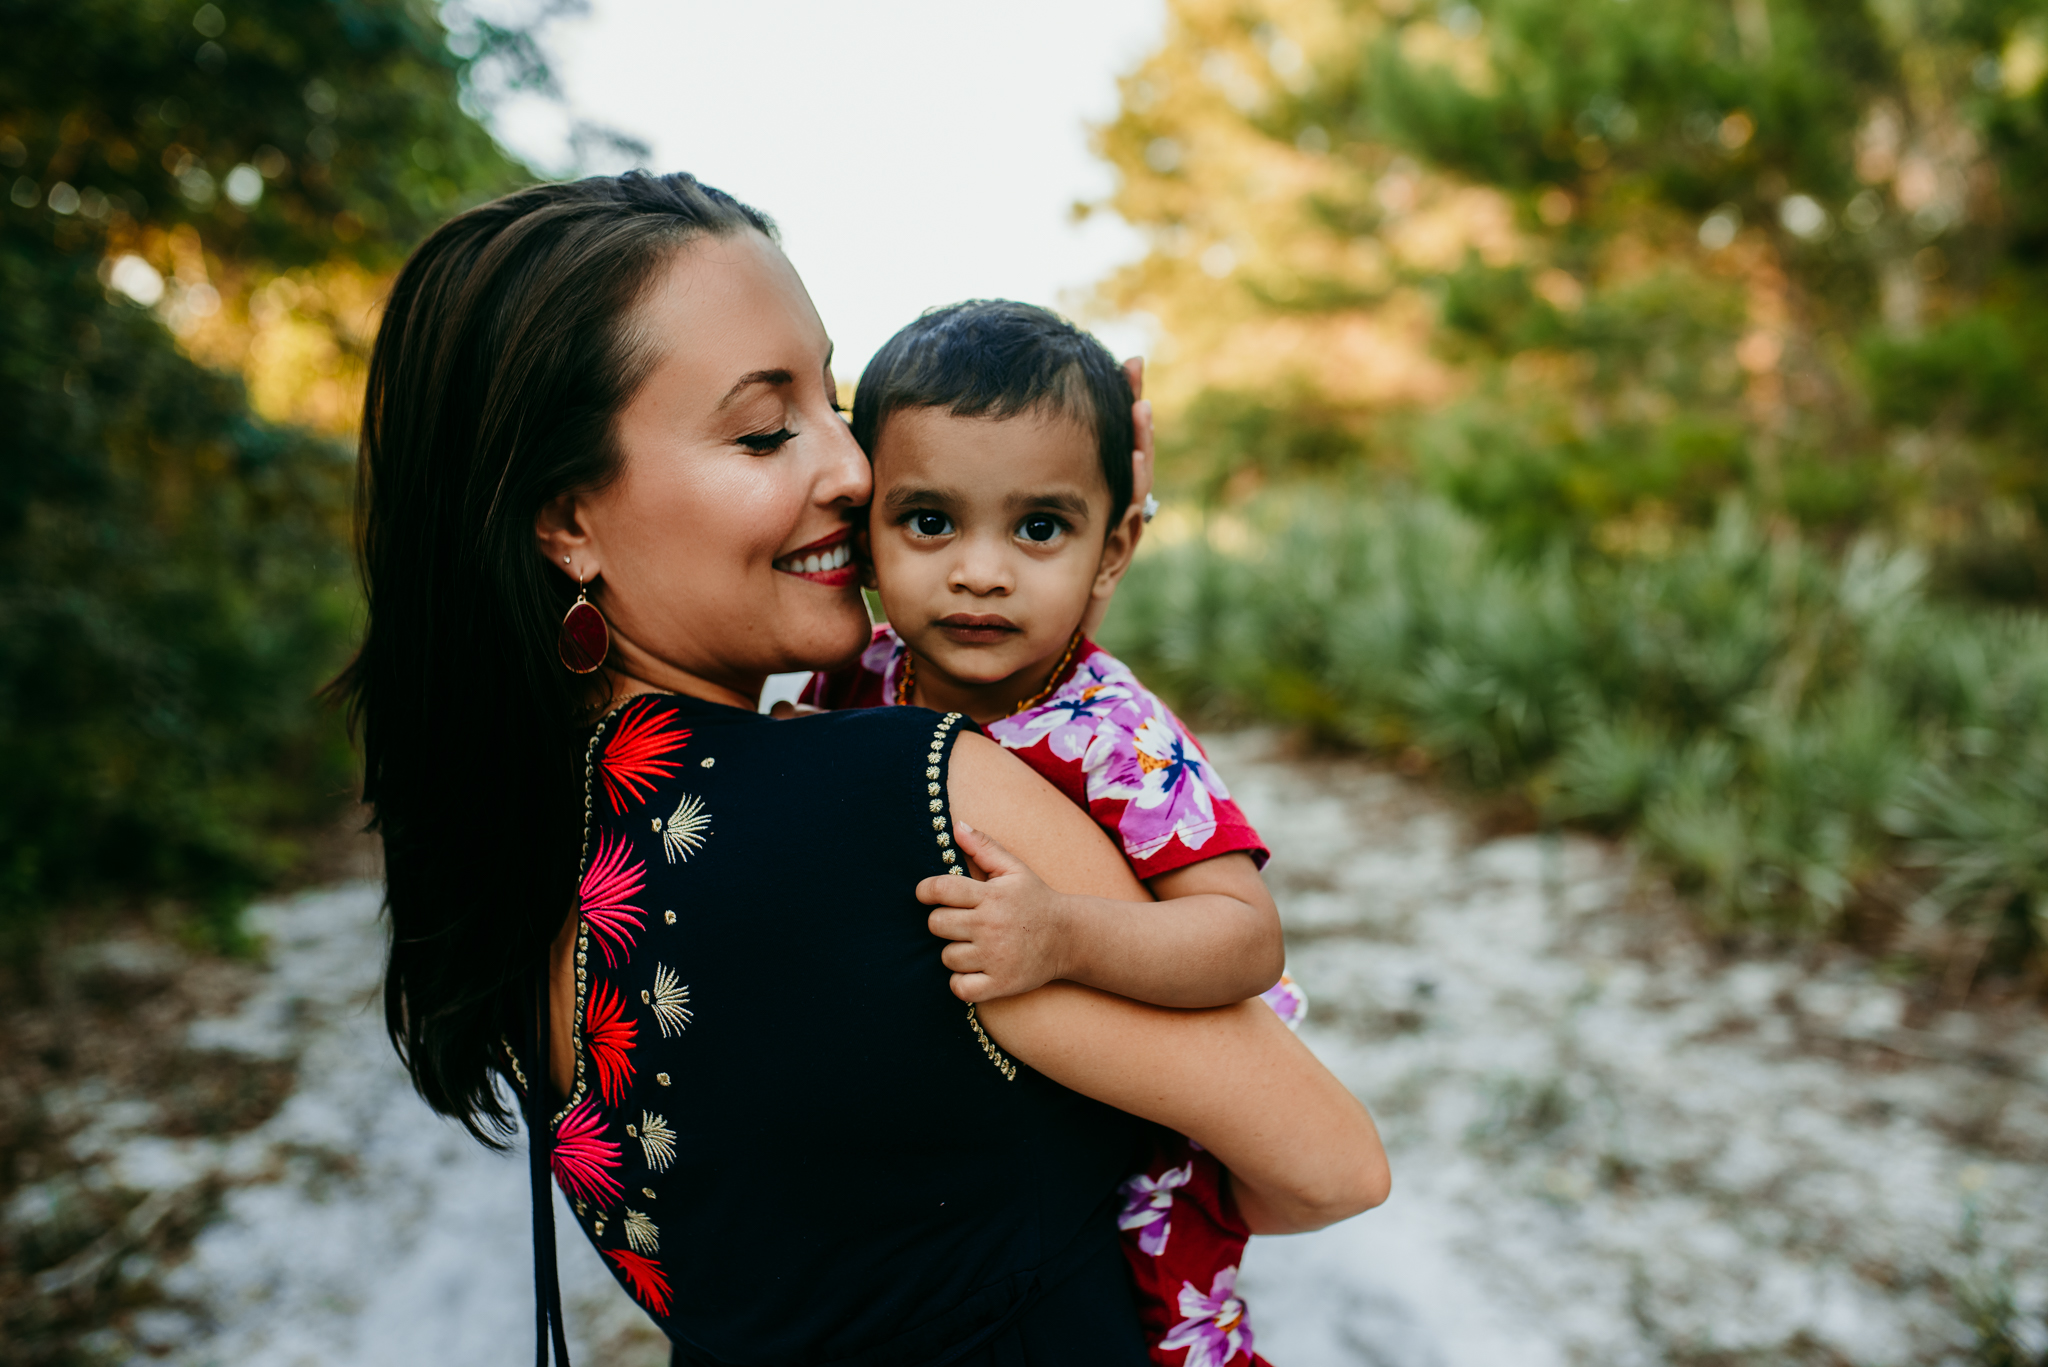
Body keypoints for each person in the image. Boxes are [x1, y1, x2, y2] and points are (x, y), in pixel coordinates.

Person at [336, 170, 1389, 1366]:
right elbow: (1331, 1165)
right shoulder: (911, 798)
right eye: (763, 429)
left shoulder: (516, 864)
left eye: (833, 405)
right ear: (567, 519)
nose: (851, 469)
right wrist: (1060, 568)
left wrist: (1044, 553)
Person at [802, 299, 1305, 1362]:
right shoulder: (861, 675)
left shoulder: (1111, 735)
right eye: (929, 521)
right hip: (944, 1150)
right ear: (863, 534)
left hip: (1122, 1140)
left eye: (1039, 528)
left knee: (1158, 1327)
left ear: (1111, 549)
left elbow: (1244, 933)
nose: (981, 571)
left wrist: (1064, 933)